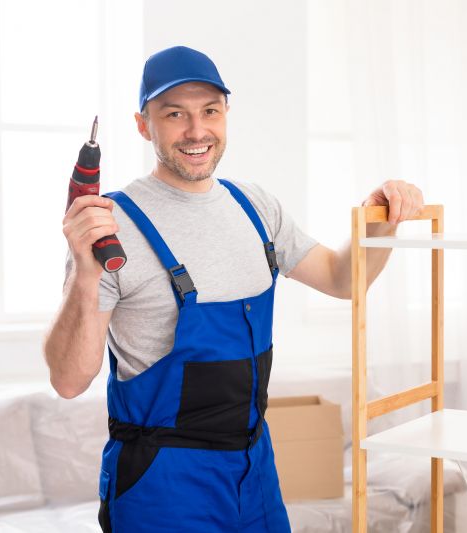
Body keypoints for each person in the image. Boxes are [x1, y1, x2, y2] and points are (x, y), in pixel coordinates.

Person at [43, 45, 423, 532]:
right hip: (163, 487)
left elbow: (342, 279)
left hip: (255, 472)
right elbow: (68, 381)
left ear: (226, 115)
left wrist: (381, 219)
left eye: (210, 112)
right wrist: (85, 271)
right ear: (143, 125)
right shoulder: (110, 227)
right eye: (174, 114)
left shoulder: (255, 207)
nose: (197, 131)